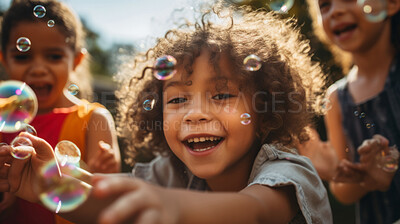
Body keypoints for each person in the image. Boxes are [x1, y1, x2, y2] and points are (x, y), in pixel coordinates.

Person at [0, 3, 332, 223]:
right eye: (177, 100)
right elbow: (111, 200)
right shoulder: (170, 174)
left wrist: (171, 205)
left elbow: (254, 211)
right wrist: (52, 184)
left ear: (263, 108)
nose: (194, 114)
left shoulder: (288, 171)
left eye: (221, 94)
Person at [0, 0, 121, 223]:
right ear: (3, 59)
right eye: (22, 56)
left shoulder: (94, 119)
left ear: (76, 60)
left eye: (54, 56)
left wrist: (97, 175)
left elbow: (110, 205)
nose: (38, 68)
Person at [299, 0, 400, 223]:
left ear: (391, 4)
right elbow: (341, 189)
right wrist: (364, 179)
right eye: (325, 5)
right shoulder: (336, 99)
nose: (336, 11)